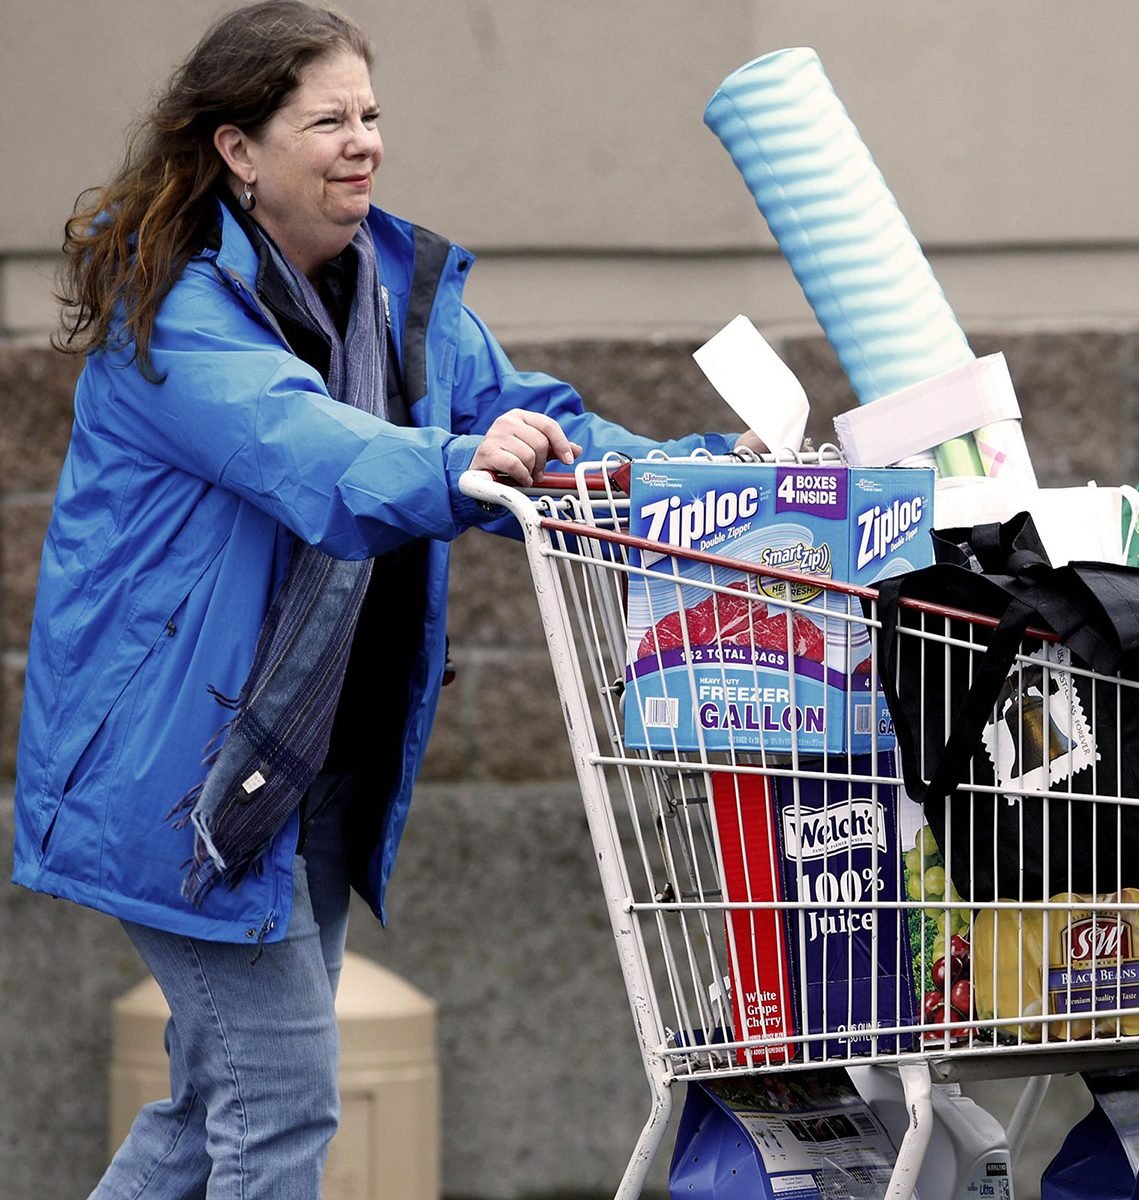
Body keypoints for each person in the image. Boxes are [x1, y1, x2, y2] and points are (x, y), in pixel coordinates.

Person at [11, 3, 755, 1196]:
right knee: (282, 1106)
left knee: (215, 1114)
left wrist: (704, 477)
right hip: (184, 781)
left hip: (311, 766)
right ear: (238, 151)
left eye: (371, 115)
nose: (362, 142)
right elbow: (301, 445)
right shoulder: (175, 314)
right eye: (326, 121)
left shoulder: (394, 293)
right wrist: (456, 463)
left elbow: (537, 418)